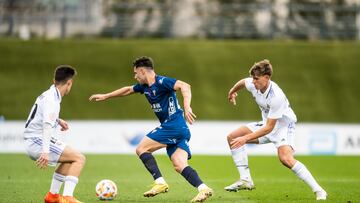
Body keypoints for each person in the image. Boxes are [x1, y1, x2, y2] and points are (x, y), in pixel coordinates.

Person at [89, 56, 213, 202]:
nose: (135, 76)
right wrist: (106, 96)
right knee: (180, 165)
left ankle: (160, 182)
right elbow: (127, 90)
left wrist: (187, 106)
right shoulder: (144, 87)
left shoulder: (162, 82)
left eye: (136, 73)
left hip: (173, 125)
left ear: (142, 71)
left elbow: (185, 86)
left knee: (141, 149)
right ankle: (203, 188)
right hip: (179, 129)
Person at [224, 59, 327, 200]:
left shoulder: (276, 96)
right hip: (267, 123)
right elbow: (243, 82)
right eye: (253, 78)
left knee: (285, 158)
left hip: (283, 126)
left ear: (266, 78)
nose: (253, 82)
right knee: (232, 137)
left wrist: (246, 138)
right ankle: (246, 180)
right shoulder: (253, 84)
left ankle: (319, 190)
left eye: (256, 79)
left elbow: (269, 128)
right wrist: (232, 91)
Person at [24, 65, 85, 203]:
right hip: (36, 140)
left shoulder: (50, 94)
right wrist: (45, 152)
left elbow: (42, 115)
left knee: (71, 158)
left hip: (34, 138)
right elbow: (46, 125)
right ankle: (68, 197)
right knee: (79, 158)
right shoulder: (52, 99)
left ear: (54, 81)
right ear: (69, 83)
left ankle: (52, 196)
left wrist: (57, 121)